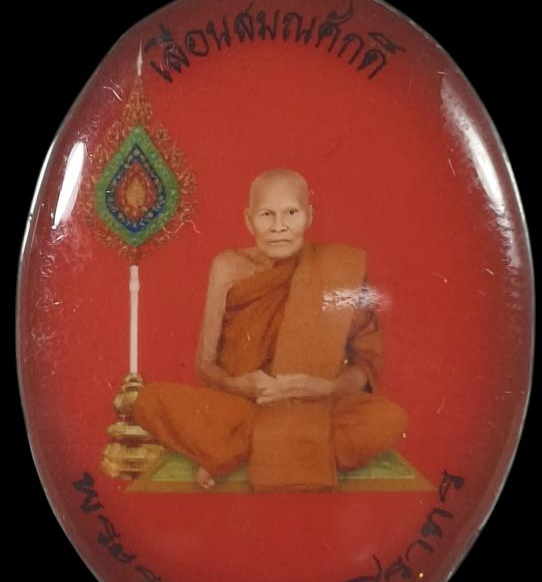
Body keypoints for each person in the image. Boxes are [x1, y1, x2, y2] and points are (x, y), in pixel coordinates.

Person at [133, 168, 408, 491]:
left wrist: (325, 388)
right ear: (249, 220)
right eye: (267, 215)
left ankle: (239, 451)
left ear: (308, 217)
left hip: (315, 406)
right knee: (149, 401)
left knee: (389, 419)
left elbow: (364, 364)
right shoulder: (227, 267)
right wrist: (239, 386)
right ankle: (283, 448)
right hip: (243, 406)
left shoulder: (338, 267)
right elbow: (205, 365)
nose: (279, 226)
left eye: (291, 213)